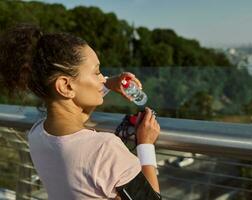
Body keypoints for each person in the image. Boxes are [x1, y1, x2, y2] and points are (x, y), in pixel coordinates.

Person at [0, 23, 161, 199]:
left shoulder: (37, 133)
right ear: (65, 86)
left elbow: (74, 116)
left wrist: (108, 83)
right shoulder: (104, 149)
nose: (102, 78)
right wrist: (145, 144)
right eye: (97, 72)